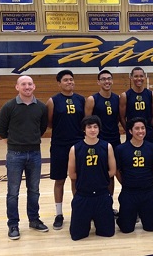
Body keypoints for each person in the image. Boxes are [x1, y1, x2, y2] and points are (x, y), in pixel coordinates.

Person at [0, 75, 48, 240]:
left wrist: (30, 142)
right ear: (17, 87)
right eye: (23, 84)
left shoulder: (41, 106)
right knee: (13, 192)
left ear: (34, 86)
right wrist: (14, 145)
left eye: (30, 84)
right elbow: (1, 130)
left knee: (34, 190)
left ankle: (34, 219)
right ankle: (13, 224)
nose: (27, 87)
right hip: (14, 155)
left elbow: (42, 128)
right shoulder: (9, 106)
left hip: (35, 153)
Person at [46, 70, 85, 230]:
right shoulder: (53, 101)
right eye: (66, 80)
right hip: (59, 145)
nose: (69, 82)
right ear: (59, 83)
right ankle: (59, 213)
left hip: (77, 145)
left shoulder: (81, 100)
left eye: (71, 79)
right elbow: (49, 123)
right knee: (60, 180)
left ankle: (78, 210)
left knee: (76, 179)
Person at [68, 115, 116, 241]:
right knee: (77, 235)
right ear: (84, 129)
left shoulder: (107, 147)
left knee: (108, 233)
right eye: (89, 127)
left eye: (95, 127)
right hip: (83, 196)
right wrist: (87, 178)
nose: (93, 130)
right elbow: (72, 174)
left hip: (102, 195)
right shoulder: (75, 149)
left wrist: (98, 177)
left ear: (99, 129)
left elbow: (112, 171)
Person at [85, 69, 120, 217]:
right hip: (98, 142)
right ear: (98, 82)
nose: (107, 81)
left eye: (109, 79)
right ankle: (92, 206)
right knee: (97, 173)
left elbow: (119, 118)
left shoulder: (117, 98)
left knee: (112, 174)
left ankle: (108, 205)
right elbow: (87, 121)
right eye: (104, 79)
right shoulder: (92, 99)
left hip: (115, 140)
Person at [115, 117, 153, 233]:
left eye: (143, 128)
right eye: (137, 128)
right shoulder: (121, 149)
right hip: (129, 192)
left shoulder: (152, 148)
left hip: (148, 191)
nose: (140, 131)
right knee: (126, 229)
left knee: (152, 228)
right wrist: (126, 183)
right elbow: (117, 171)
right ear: (130, 131)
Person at [119, 67, 153, 144]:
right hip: (132, 133)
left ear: (145, 77)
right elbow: (122, 117)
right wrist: (129, 129)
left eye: (141, 76)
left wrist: (147, 127)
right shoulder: (125, 96)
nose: (139, 78)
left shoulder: (152, 94)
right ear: (131, 78)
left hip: (148, 132)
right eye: (136, 76)